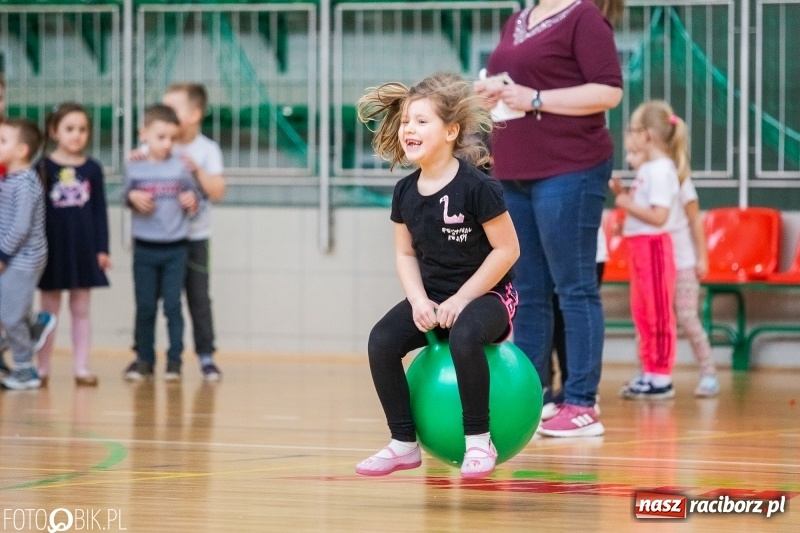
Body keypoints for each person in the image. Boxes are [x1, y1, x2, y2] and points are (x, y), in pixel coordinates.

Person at [354, 73, 520, 478]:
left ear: (451, 131)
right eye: (407, 121)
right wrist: (417, 301)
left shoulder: (479, 188)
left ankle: (479, 441)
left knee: (464, 334)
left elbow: (508, 250)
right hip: (433, 298)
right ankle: (403, 443)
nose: (409, 128)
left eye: (421, 121)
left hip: (489, 297)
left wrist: (462, 300)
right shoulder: (404, 192)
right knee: (381, 340)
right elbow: (404, 253)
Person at [474, 0, 623, 437]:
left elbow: (608, 91)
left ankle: (581, 403)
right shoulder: (519, 18)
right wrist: (491, 91)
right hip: (515, 170)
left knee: (574, 287)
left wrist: (536, 98)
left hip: (570, 167)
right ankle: (532, 396)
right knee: (529, 291)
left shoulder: (584, 17)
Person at [619, 136, 719, 398]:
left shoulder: (677, 179)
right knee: (649, 315)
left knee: (686, 316)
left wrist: (702, 257)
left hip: (682, 260)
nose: (630, 158)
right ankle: (646, 373)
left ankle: (707, 372)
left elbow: (695, 221)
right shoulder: (647, 177)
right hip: (657, 259)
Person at [610, 100, 684, 400]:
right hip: (639, 246)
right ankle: (649, 370)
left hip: (654, 248)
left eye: (633, 129)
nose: (629, 135)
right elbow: (643, 214)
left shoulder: (662, 170)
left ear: (648, 135)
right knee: (642, 312)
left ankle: (661, 375)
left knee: (658, 312)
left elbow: (659, 217)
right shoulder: (649, 169)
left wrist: (626, 204)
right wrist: (624, 219)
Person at [35, 103, 111, 387]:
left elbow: (100, 211)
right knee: (48, 311)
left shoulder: (92, 169)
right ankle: (41, 368)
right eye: (69, 129)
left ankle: (81, 367)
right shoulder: (42, 167)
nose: (76, 135)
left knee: (81, 309)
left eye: (82, 129)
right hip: (51, 250)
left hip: (83, 250)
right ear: (55, 131)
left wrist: (102, 249)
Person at [123, 104, 199, 382]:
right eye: (160, 137)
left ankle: (175, 360)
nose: (167, 144)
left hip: (175, 249)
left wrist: (192, 201)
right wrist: (132, 198)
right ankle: (144, 359)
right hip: (144, 248)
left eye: (172, 138)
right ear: (144, 134)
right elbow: (125, 195)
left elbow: (195, 199)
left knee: (172, 307)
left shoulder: (181, 167)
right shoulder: (135, 167)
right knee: (145, 307)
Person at [0, 119, 49, 389]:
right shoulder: (10, 178)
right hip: (12, 255)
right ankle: (35, 325)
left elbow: (21, 226)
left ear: (22, 150)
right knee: (8, 311)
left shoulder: (25, 183)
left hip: (23, 258)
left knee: (10, 316)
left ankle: (25, 369)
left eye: (2, 141)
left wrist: (3, 255)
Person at [544, 227, 607, 420]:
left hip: (583, 255)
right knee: (551, 322)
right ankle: (548, 392)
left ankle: (579, 396)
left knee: (568, 320)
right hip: (546, 255)